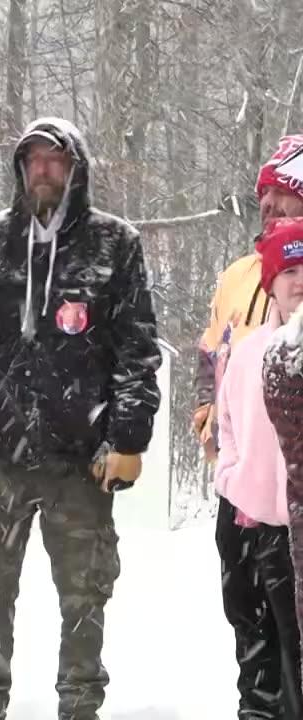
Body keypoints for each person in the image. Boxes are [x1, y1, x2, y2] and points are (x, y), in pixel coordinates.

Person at [0, 117, 162, 720]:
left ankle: (80, 704)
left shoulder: (115, 245)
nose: (43, 170)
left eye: (54, 160)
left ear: (75, 169)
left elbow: (137, 351)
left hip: (80, 461)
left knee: (84, 598)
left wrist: (127, 437)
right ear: (20, 169)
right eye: (33, 160)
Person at [198, 133, 303, 719]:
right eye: (265, 198)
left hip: (294, 503)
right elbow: (211, 356)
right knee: (247, 620)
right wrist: (217, 444)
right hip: (240, 495)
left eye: (284, 197)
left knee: (295, 644)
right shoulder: (240, 274)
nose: (270, 207)